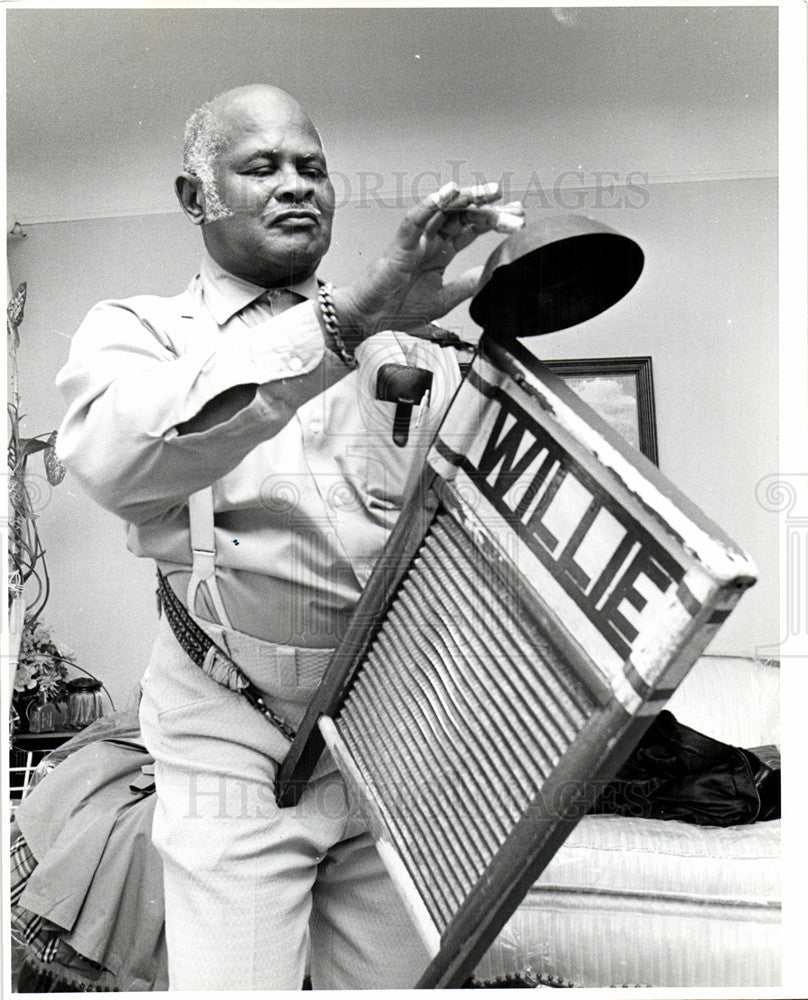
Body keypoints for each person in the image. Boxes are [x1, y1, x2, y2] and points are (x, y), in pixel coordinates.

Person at [55, 83, 516, 990]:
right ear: (197, 198)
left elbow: (464, 531)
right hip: (228, 731)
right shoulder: (139, 331)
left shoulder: (412, 344)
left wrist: (482, 337)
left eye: (312, 167)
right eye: (261, 167)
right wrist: (345, 322)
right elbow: (116, 462)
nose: (296, 185)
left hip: (394, 736)